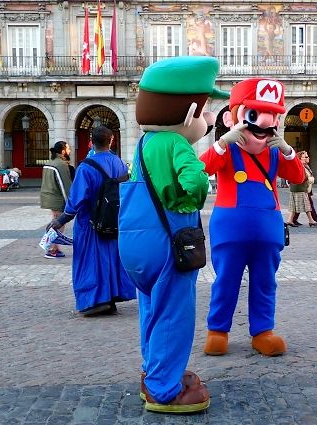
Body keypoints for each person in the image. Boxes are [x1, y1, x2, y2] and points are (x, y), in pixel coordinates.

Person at [118, 56, 224, 413]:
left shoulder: (145, 142)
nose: (209, 120)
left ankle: (155, 372)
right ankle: (164, 390)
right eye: (205, 111)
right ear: (190, 111)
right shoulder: (176, 143)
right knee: (174, 313)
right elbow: (195, 180)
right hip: (168, 242)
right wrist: (190, 198)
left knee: (151, 308)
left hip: (137, 243)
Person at [200, 78, 305, 359]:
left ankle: (262, 331)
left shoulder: (274, 152)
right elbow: (201, 169)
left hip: (268, 231)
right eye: (254, 114)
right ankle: (217, 331)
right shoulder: (228, 149)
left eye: (272, 116)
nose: (264, 124)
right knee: (226, 281)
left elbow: (298, 177)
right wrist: (222, 142)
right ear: (231, 118)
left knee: (265, 283)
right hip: (231, 230)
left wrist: (288, 150)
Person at [47, 126, 136, 316]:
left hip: (90, 223)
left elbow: (78, 197)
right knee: (112, 257)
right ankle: (111, 298)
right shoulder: (120, 164)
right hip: (114, 220)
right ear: (111, 141)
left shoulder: (86, 167)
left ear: (91, 142)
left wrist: (62, 218)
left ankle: (94, 301)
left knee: (90, 260)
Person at [40, 141, 72, 258]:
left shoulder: (50, 162)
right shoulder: (61, 165)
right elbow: (65, 185)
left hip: (49, 197)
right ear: (63, 151)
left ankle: (54, 247)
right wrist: (70, 202)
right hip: (57, 199)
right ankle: (51, 249)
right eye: (68, 149)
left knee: (56, 222)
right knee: (59, 224)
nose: (69, 151)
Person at [287, 151, 317, 228]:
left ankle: (290, 220)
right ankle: (311, 220)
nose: (306, 158)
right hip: (299, 188)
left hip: (299, 188)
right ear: (299, 158)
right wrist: (310, 178)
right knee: (307, 205)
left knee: (296, 206)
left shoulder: (302, 166)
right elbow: (302, 177)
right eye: (304, 157)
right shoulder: (299, 166)